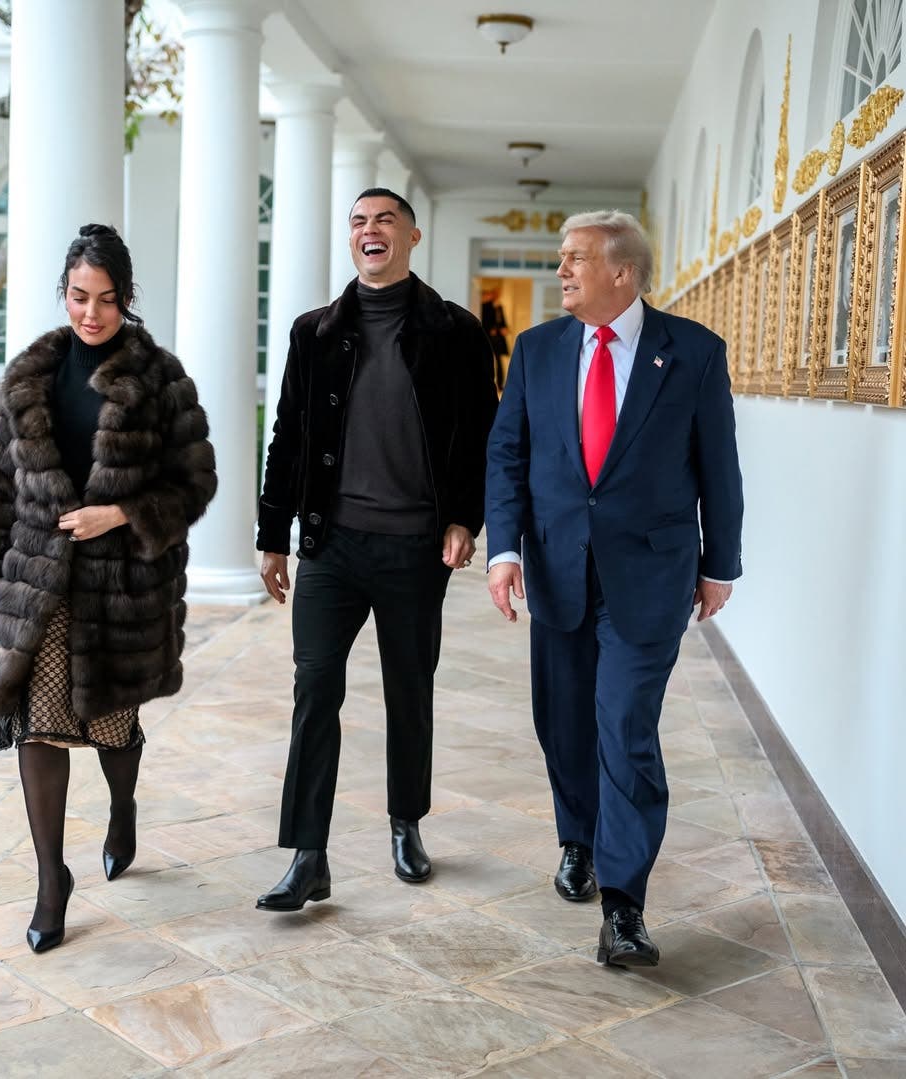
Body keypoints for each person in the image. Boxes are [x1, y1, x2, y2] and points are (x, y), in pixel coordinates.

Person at [485, 210, 743, 967]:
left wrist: (718, 563)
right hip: (558, 570)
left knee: (625, 727)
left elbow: (719, 468)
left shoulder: (692, 353)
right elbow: (508, 457)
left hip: (650, 576)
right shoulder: (535, 352)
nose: (560, 270)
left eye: (575, 259)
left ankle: (624, 906)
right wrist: (505, 550)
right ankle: (578, 839)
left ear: (622, 272)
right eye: (561, 258)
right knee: (564, 723)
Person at [0, 224, 217, 953]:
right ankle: (51, 879)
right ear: (63, 293)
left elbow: (194, 481)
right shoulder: (27, 378)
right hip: (39, 581)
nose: (91, 313)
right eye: (79, 296)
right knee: (37, 727)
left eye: (106, 299)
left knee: (111, 728)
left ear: (126, 298)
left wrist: (125, 513)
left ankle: (123, 805)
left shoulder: (161, 379)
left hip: (123, 588)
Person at [255, 188, 498, 911]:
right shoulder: (315, 333)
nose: (370, 230)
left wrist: (465, 518)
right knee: (314, 689)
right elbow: (288, 437)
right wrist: (273, 534)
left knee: (408, 691)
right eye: (358, 221)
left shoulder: (454, 332)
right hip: (331, 545)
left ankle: (405, 824)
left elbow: (478, 438)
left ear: (412, 236)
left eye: (384, 220)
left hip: (415, 548)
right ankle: (308, 853)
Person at [480, 286, 510, 393]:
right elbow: (484, 322)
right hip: (488, 338)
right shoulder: (484, 306)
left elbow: (502, 322)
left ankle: (500, 385)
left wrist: (505, 328)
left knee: (499, 362)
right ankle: (487, 384)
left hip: (498, 340)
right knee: (487, 360)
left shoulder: (499, 307)